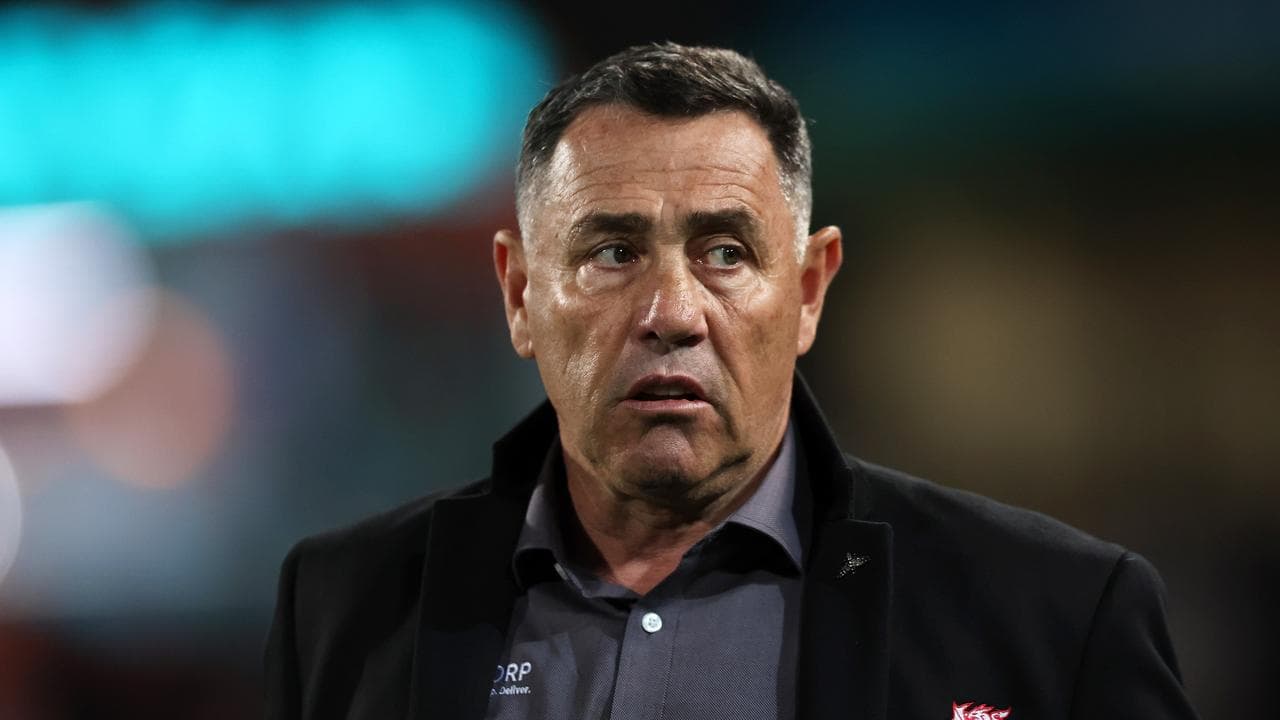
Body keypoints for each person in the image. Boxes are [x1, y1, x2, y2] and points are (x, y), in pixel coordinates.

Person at [265, 43, 1199, 720]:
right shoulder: (341, 607)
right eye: (613, 251)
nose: (671, 312)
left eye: (724, 252)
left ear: (808, 290)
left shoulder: (1057, 617)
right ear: (518, 294)